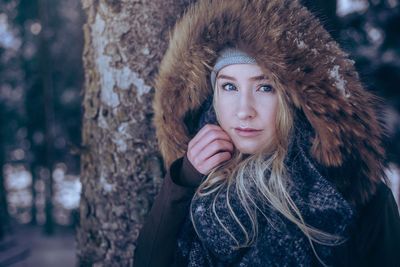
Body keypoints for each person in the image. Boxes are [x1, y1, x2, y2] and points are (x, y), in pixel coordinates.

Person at [133, 0, 400, 266]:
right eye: (229, 87)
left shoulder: (354, 193)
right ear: (211, 96)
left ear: (294, 99)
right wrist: (183, 179)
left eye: (265, 88)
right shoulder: (195, 180)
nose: (244, 111)